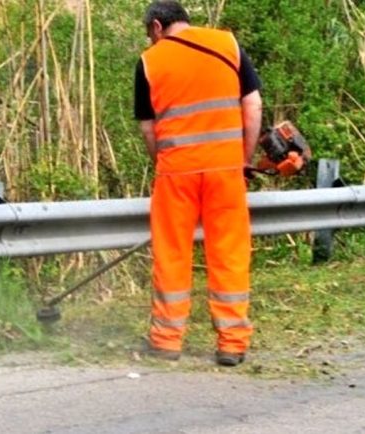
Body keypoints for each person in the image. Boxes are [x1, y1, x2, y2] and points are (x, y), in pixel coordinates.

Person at [134, 0, 263, 367]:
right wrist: (243, 158)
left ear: (156, 27)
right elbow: (253, 106)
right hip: (225, 169)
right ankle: (232, 343)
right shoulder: (227, 44)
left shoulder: (149, 62)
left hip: (176, 173)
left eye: (149, 35)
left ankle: (166, 340)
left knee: (172, 253)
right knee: (229, 252)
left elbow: (148, 129)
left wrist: (164, 163)